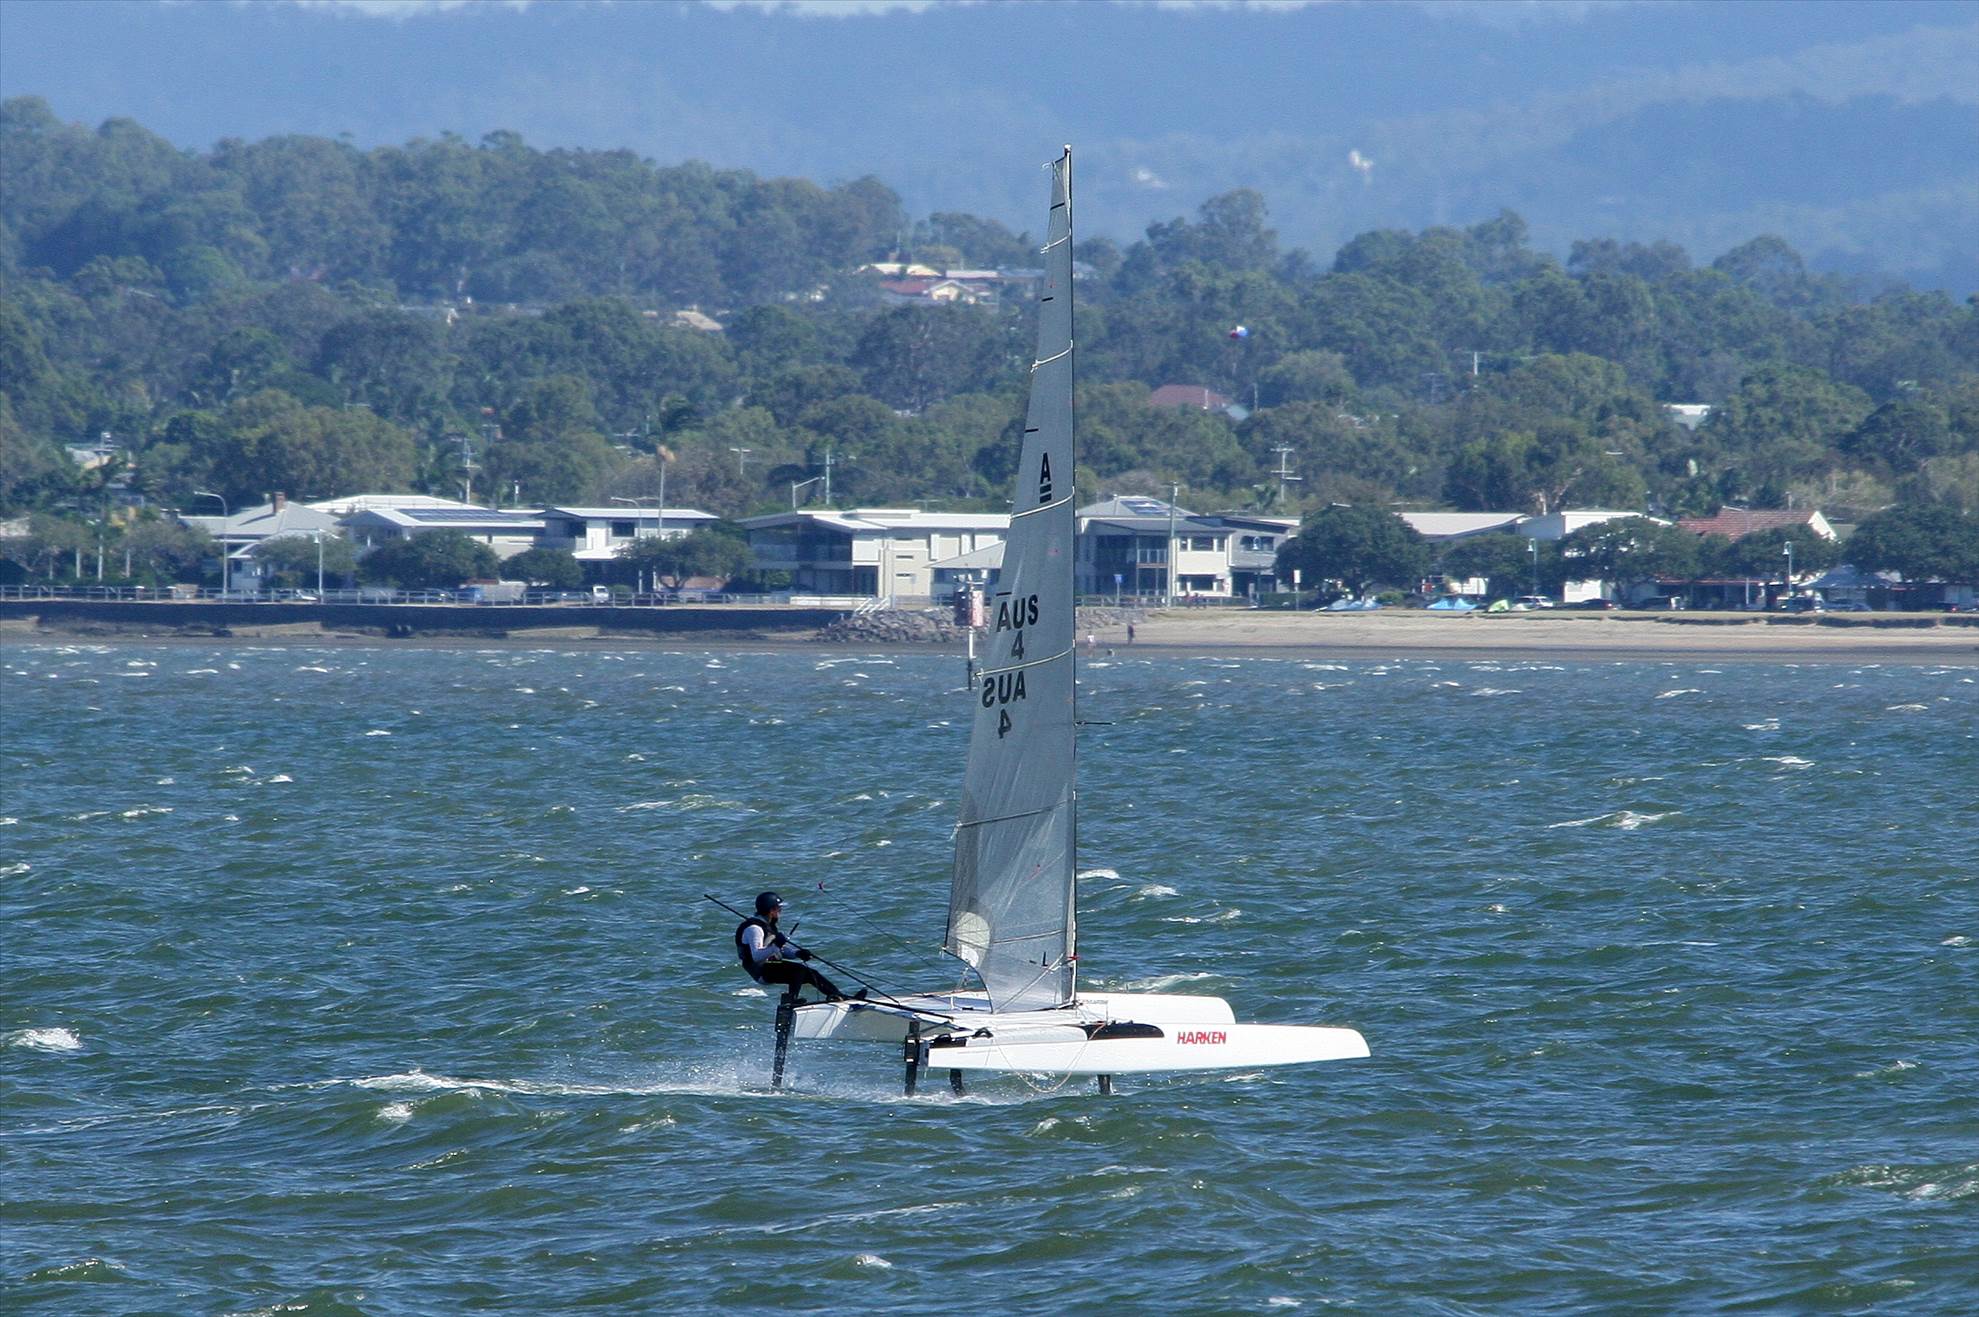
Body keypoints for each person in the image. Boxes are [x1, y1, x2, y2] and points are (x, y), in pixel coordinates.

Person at [734, 891, 855, 1002]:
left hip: (770, 965)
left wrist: (797, 953)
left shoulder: (768, 926)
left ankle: (838, 995)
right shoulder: (754, 929)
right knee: (799, 970)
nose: (780, 912)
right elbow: (756, 956)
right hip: (759, 970)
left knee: (810, 973)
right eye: (779, 909)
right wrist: (776, 945)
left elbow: (780, 951)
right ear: (772, 910)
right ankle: (791, 1000)